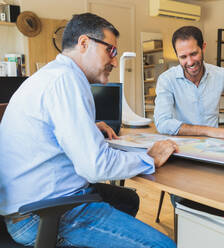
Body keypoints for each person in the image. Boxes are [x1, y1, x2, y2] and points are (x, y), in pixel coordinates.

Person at [0, 13, 177, 248]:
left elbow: (49, 129)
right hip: (43, 216)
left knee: (127, 200)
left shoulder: (50, 76)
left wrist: (87, 127)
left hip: (29, 205)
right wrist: (149, 159)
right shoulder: (66, 80)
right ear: (84, 43)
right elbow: (96, 166)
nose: (114, 61)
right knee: (164, 246)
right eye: (110, 51)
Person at [154, 26, 224, 141]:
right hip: (180, 148)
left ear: (203, 47)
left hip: (213, 148)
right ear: (177, 55)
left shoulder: (221, 75)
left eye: (194, 54)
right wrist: (208, 131)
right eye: (183, 57)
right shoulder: (167, 79)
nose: (190, 62)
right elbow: (163, 123)